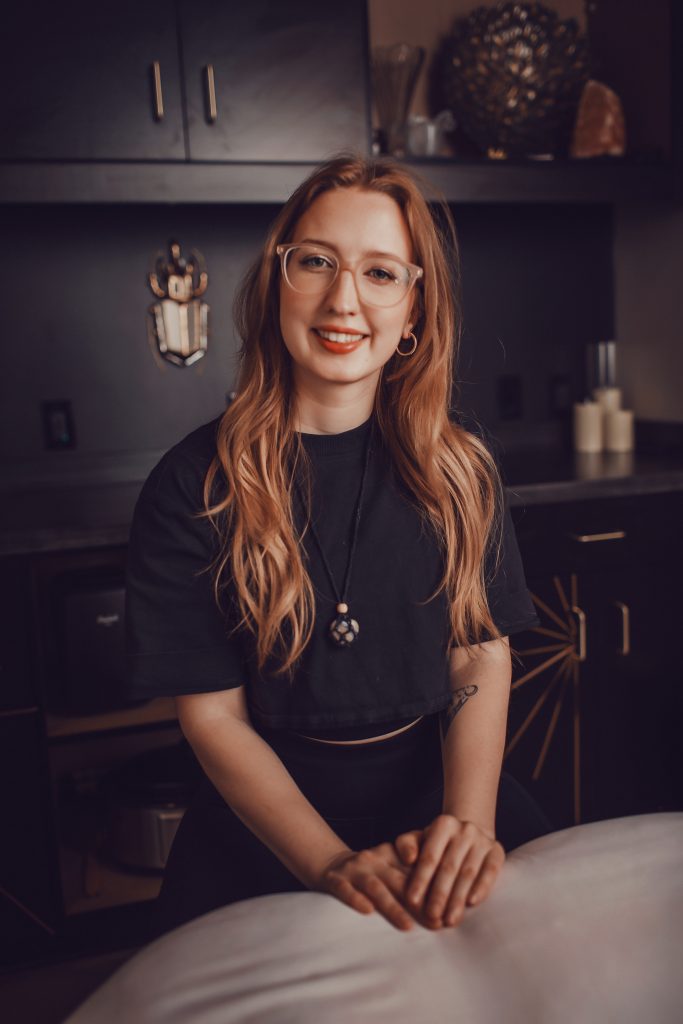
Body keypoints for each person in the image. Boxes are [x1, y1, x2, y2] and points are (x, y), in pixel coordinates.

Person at [125, 154, 551, 939]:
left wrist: (468, 823)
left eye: (381, 272)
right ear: (276, 283)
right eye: (315, 261)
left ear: (414, 309)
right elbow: (214, 718)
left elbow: (478, 654)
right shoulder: (194, 484)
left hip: (441, 794)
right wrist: (326, 862)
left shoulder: (460, 473)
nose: (343, 298)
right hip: (269, 819)